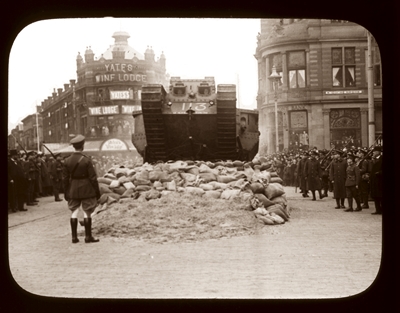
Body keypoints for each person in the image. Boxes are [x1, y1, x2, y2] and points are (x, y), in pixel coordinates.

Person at [62, 134, 101, 243]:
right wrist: (96, 191)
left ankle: (74, 237)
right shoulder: (87, 160)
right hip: (86, 188)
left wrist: (66, 192)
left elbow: (65, 179)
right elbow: (93, 178)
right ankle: (88, 237)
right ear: (82, 146)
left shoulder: (67, 160)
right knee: (87, 211)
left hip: (73, 188)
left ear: (73, 146)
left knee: (74, 211)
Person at [369, 146, 383, 215]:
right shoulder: (372, 159)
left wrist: (379, 173)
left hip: (380, 180)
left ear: (378, 152)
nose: (373, 152)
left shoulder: (382, 159)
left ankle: (382, 209)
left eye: (374, 151)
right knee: (375, 196)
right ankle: (377, 210)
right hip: (374, 180)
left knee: (381, 196)